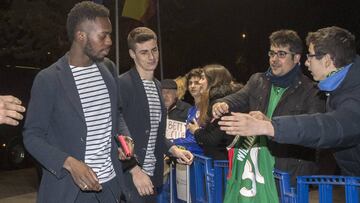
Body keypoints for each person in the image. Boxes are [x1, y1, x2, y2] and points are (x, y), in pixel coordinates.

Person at [217, 26, 360, 177]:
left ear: (326, 60)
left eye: (310, 56)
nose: (307, 63)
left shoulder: (348, 91)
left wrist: (270, 127)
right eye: (272, 53)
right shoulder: (338, 87)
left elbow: (331, 126)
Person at [23, 2, 128, 202]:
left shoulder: (109, 69)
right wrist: (69, 163)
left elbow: (117, 114)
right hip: (71, 192)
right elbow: (32, 136)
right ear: (81, 36)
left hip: (111, 187)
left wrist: (124, 138)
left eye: (110, 34)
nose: (109, 42)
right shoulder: (49, 79)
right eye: (103, 35)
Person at [212, 30, 326, 186]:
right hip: (257, 166)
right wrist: (223, 103)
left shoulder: (311, 90)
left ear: (297, 57)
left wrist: (270, 124)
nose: (274, 59)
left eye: (281, 54)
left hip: (290, 172)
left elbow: (314, 132)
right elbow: (239, 97)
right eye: (272, 53)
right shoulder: (258, 80)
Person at [118, 27, 193, 203]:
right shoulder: (123, 84)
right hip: (131, 177)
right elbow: (116, 132)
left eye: (154, 50)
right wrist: (134, 170)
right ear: (132, 54)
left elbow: (156, 132)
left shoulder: (158, 87)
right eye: (144, 52)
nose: (151, 57)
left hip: (152, 176)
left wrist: (173, 149)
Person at [187, 64, 241, 160]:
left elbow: (213, 140)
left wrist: (196, 131)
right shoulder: (220, 100)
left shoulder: (219, 104)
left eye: (203, 78)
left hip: (223, 165)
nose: (200, 82)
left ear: (213, 80)